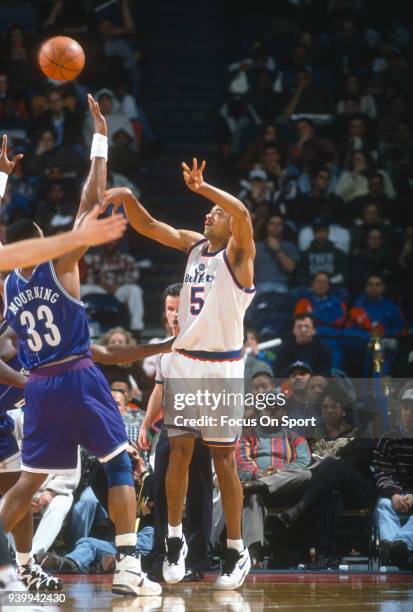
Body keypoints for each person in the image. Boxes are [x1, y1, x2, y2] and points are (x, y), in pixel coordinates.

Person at [0, 95, 162, 597]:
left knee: (28, 483)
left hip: (39, 387)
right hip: (75, 373)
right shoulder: (60, 261)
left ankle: (16, 563)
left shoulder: (7, 284)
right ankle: (130, 567)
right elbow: (91, 205)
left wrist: (2, 181)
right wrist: (100, 138)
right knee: (117, 463)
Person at [103, 156, 256, 590]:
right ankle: (174, 542)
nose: (210, 213)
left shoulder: (241, 256)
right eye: (210, 210)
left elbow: (243, 212)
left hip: (222, 368)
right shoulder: (194, 247)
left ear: (231, 226)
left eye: (217, 213)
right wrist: (129, 197)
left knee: (224, 462)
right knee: (179, 453)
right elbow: (151, 227)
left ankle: (235, 549)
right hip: (186, 362)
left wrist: (204, 187)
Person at [138, 283, 213, 581]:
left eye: (178, 308)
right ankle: (163, 554)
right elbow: (159, 390)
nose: (173, 314)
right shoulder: (165, 350)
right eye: (169, 308)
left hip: (203, 428)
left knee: (199, 493)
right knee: (159, 489)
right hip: (171, 428)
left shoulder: (208, 344)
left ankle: (197, 561)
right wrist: (145, 424)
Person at [0, 135, 127, 271]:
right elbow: (89, 200)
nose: (44, 232)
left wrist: (2, 175)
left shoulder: (6, 279)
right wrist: (100, 139)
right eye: (40, 232)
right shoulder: (61, 270)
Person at [373, 386, 413, 568]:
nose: (410, 412)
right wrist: (395, 494)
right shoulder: (387, 439)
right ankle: (390, 545)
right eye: (406, 407)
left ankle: (401, 543)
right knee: (383, 505)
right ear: (401, 411)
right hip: (394, 495)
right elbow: (381, 472)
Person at [275, 314, 332, 378]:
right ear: (294, 330)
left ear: (314, 331)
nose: (303, 330)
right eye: (299, 326)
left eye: (306, 326)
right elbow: (279, 374)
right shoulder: (284, 349)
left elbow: (324, 374)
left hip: (314, 386)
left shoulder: (323, 349)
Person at [254, 214, 299, 295]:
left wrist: (278, 250)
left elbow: (291, 268)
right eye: (272, 224)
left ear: (283, 227)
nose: (275, 227)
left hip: (281, 286)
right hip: (260, 286)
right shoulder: (257, 246)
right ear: (267, 226)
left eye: (279, 224)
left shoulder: (290, 246)